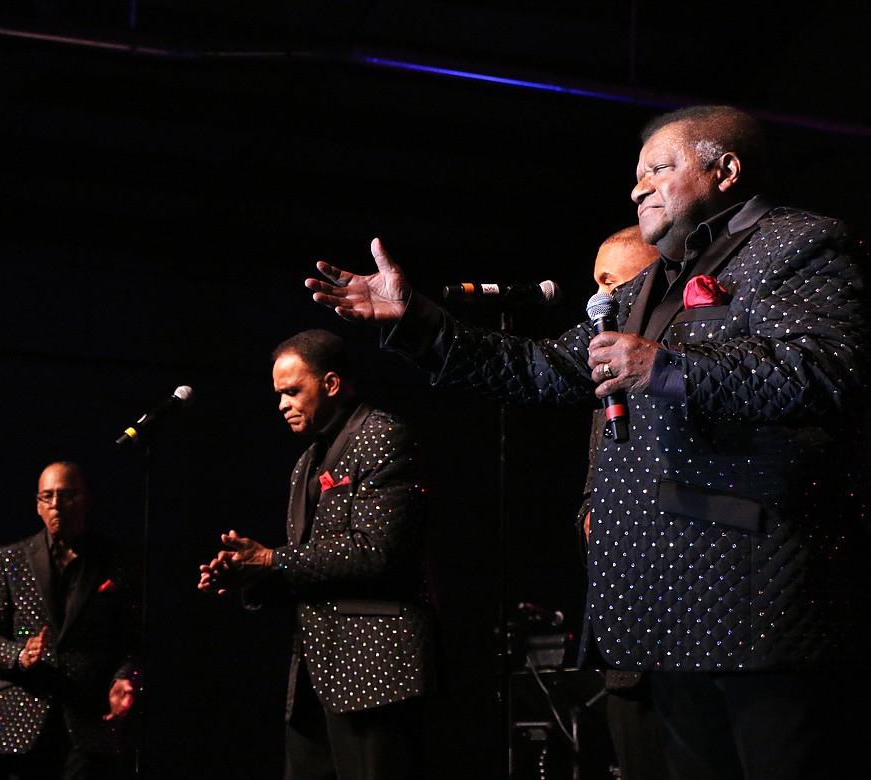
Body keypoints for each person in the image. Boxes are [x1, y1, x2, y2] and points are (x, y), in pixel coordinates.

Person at [305, 105, 871, 780]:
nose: (638, 188)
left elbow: (825, 371)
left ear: (727, 171)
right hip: (665, 605)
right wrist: (419, 324)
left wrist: (666, 367)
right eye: (636, 176)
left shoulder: (800, 243)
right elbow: (542, 368)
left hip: (758, 596)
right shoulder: (643, 286)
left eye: (659, 169)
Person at [198, 329, 438, 780]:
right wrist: (249, 573)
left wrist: (271, 560)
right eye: (279, 394)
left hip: (376, 671)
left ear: (329, 384)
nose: (282, 404)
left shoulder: (382, 435)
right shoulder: (306, 462)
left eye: (292, 391)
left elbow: (376, 552)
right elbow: (308, 563)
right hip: (316, 673)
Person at [0, 461, 140, 780]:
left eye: (66, 495)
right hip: (23, 720)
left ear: (86, 500)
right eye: (46, 496)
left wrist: (125, 678)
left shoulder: (119, 563)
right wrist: (20, 655)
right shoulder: (9, 560)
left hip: (91, 718)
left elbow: (133, 640)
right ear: (37, 505)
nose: (56, 504)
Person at [581, 226, 668, 780]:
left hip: (695, 620)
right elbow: (595, 481)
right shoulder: (603, 370)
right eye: (595, 284)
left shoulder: (680, 357)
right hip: (626, 627)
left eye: (610, 282)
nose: (599, 298)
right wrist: (589, 516)